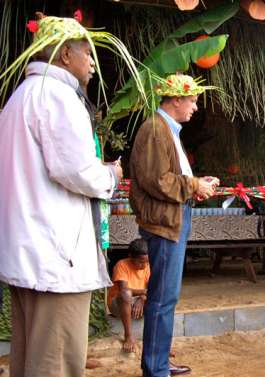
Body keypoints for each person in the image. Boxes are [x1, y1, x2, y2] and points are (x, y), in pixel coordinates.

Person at [0, 13, 143, 377]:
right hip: (55, 260)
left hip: (29, 255)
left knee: (29, 359)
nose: (92, 62)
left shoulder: (20, 97)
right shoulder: (58, 95)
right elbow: (75, 171)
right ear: (65, 55)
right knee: (55, 365)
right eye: (87, 53)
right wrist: (110, 173)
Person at [129, 74, 219, 377]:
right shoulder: (156, 130)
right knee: (162, 298)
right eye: (192, 101)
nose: (195, 107)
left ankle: (158, 362)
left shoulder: (165, 129)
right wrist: (193, 184)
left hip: (170, 221)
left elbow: (167, 177)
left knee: (165, 297)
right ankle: (156, 368)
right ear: (176, 99)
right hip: (163, 225)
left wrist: (197, 184)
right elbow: (158, 181)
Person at [107, 238, 151, 353]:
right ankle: (128, 336)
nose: (144, 265)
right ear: (130, 256)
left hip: (140, 301)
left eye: (146, 262)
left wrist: (142, 298)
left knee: (162, 296)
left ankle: (158, 343)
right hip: (119, 303)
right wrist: (144, 293)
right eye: (140, 262)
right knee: (126, 293)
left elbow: (152, 289)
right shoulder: (121, 265)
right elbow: (124, 290)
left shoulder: (148, 267)